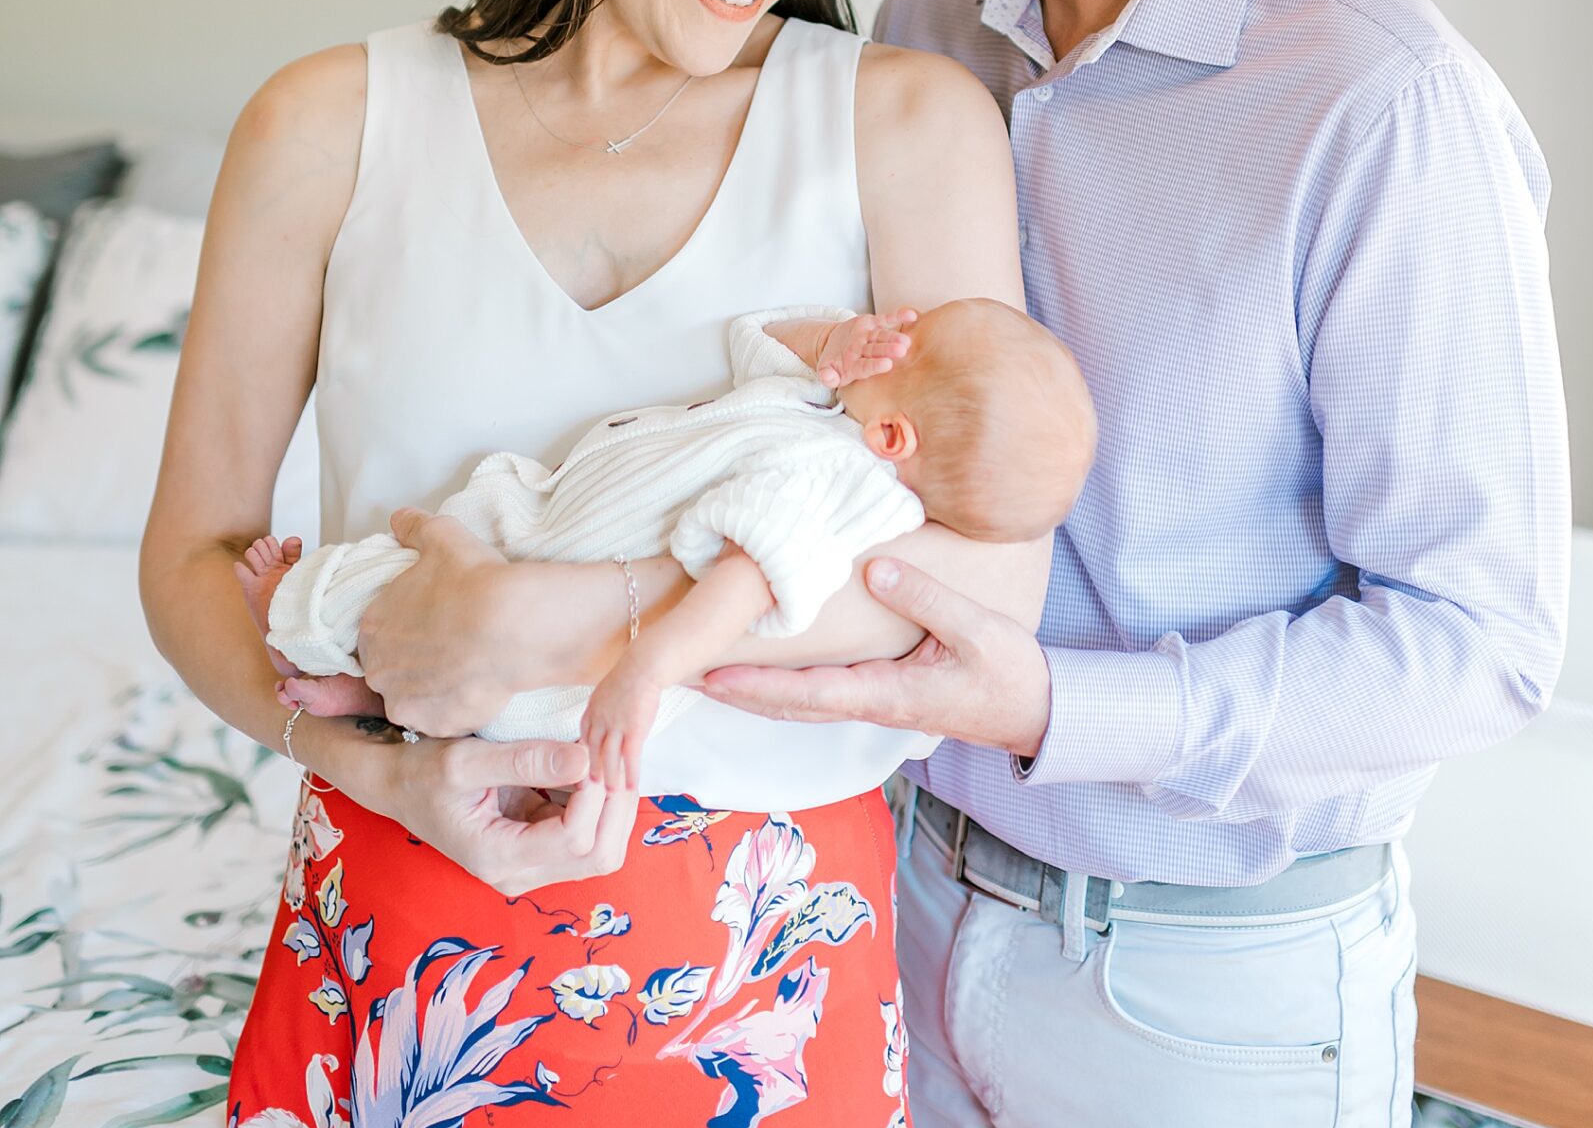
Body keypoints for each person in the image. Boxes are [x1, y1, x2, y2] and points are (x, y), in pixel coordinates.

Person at [704, 0, 1572, 1128]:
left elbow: (1476, 647)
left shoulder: (1380, 118)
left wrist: (1055, 713)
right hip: (912, 905)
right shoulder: (935, 13)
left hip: (1209, 1001)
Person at [140, 0, 1052, 1128]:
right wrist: (358, 766)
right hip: (399, 930)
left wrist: (578, 618)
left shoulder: (901, 131)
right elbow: (193, 555)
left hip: (746, 1000)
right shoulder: (330, 125)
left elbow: (978, 605)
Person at [234, 295, 1095, 789]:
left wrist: (644, 673)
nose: (884, 331)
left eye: (906, 342)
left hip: (577, 589)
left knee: (400, 591)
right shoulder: (822, 416)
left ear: (897, 439)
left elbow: (740, 587)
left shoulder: (839, 484)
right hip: (557, 528)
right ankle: (362, 693)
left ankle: (298, 612)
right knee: (437, 601)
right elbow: (758, 341)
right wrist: (833, 344)